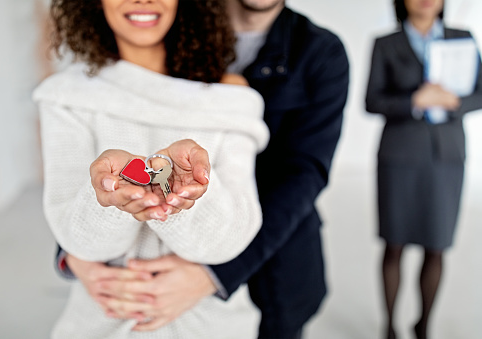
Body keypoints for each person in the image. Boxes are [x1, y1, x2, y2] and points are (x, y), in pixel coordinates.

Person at [59, 0, 349, 338]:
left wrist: (213, 273)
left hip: (273, 260)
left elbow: (304, 172)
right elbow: (102, 130)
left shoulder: (320, 51)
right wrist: (74, 250)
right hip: (159, 255)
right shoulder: (164, 21)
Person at [33, 0, 270, 337]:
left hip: (212, 324)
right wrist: (110, 201)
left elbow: (228, 239)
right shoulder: (67, 97)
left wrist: (181, 198)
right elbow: (81, 242)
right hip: (104, 318)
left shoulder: (229, 97)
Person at [365, 1, 482, 338]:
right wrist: (415, 101)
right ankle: (389, 327)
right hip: (399, 156)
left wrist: (454, 102)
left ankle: (424, 326)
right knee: (395, 243)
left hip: (446, 157)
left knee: (437, 244)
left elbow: (481, 91)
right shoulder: (386, 43)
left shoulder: (464, 37)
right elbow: (372, 100)